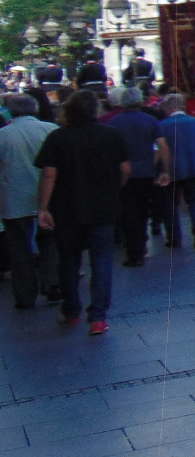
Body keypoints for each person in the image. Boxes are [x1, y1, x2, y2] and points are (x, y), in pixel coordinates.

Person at [34, 89, 128, 334]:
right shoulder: (111, 135)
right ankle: (97, 316)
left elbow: (49, 173)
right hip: (103, 207)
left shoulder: (58, 137)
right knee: (101, 261)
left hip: (67, 208)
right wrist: (114, 187)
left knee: (68, 260)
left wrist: (42, 208)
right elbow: (125, 168)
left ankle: (71, 309)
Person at [0, 94, 58, 308]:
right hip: (49, 195)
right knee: (51, 241)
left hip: (13, 198)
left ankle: (25, 296)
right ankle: (53, 285)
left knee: (19, 248)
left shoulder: (3, 135)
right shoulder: (51, 129)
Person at [103, 87, 168, 266]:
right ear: (141, 101)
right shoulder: (151, 120)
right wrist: (164, 171)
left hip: (123, 174)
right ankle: (141, 242)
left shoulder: (114, 123)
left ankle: (135, 251)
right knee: (142, 210)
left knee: (128, 212)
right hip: (146, 172)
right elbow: (162, 147)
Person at [156, 93, 195, 247]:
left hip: (172, 169)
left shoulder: (162, 125)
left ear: (169, 108)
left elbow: (159, 149)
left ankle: (174, 237)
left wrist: (162, 170)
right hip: (194, 167)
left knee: (171, 204)